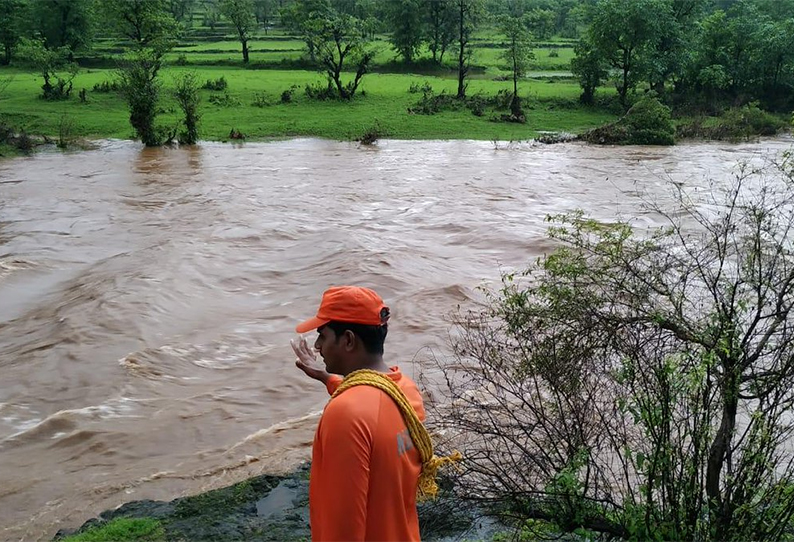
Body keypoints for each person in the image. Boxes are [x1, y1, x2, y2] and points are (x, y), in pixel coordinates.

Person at [291, 285, 426, 542]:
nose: (318, 346)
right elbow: (374, 409)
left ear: (349, 340)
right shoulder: (406, 391)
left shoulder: (346, 414)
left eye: (323, 335)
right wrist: (327, 378)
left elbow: (342, 529)